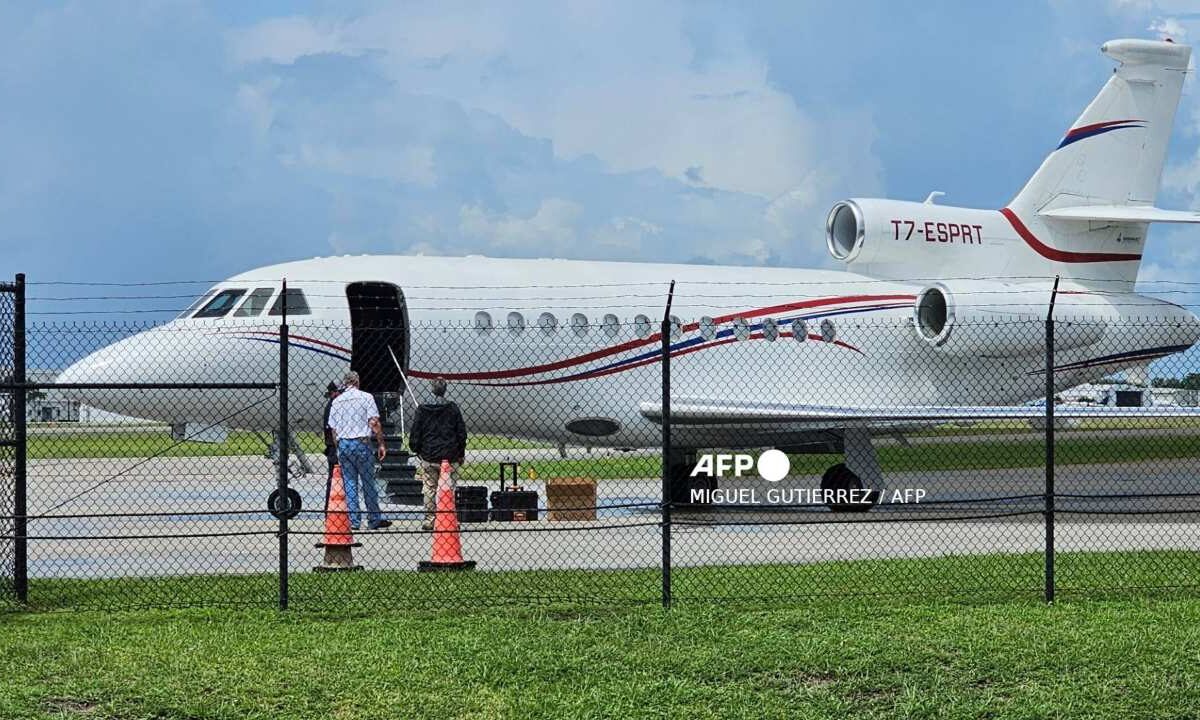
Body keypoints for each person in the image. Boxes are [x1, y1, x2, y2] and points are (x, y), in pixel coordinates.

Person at [326, 371, 391, 530]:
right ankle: (373, 519)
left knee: (349, 483)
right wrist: (381, 443)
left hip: (344, 444)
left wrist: (338, 447)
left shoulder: (337, 401)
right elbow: (374, 422)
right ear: (357, 382)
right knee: (368, 482)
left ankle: (354, 521)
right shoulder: (366, 397)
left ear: (345, 383)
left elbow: (333, 429)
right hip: (362, 443)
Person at [409, 377, 467, 531]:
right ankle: (449, 518)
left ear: (432, 389)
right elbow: (461, 432)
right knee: (449, 489)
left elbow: (416, 432)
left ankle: (430, 519)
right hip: (450, 455)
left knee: (429, 488)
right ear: (445, 390)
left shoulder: (422, 408)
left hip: (429, 454)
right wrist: (461, 452)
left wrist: (417, 449)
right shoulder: (452, 408)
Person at [321, 382, 340, 508]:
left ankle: (330, 507)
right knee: (336, 479)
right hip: (335, 447)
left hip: (332, 446)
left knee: (334, 479)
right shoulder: (334, 405)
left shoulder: (332, 405)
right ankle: (331, 507)